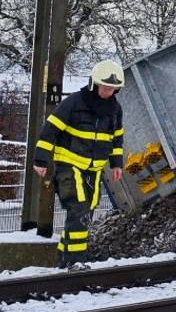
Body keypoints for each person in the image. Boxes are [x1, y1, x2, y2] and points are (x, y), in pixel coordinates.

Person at [31, 60, 126, 268]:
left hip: (95, 169)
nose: (108, 92)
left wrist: (116, 164)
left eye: (113, 88)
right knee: (80, 208)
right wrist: (40, 159)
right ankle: (76, 261)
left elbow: (116, 139)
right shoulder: (73, 103)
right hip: (69, 165)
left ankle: (65, 259)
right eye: (105, 87)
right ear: (94, 83)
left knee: (87, 212)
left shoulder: (115, 109)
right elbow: (50, 130)